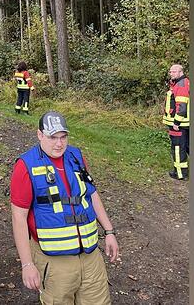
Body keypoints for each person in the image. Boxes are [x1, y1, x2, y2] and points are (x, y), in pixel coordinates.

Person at [9, 112, 119, 304]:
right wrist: (27, 264)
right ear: (40, 135)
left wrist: (109, 231)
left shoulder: (76, 156)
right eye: (53, 137)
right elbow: (19, 217)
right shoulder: (26, 165)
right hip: (54, 261)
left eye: (63, 137)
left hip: (90, 256)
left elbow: (91, 194)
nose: (59, 144)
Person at [163, 63, 190, 180]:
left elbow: (182, 107)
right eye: (170, 71)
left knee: (178, 148)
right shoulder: (182, 83)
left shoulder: (181, 84)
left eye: (174, 71)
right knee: (187, 146)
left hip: (179, 124)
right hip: (185, 123)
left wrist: (176, 122)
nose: (171, 73)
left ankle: (180, 173)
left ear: (180, 72)